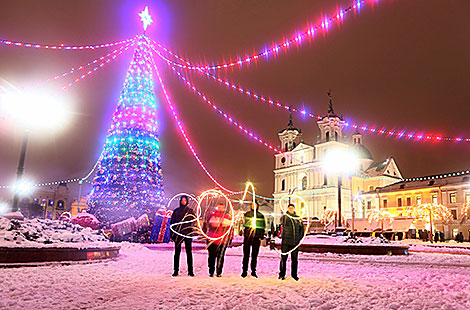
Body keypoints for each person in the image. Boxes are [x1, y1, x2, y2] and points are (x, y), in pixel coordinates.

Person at [170, 195, 195, 277]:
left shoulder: (190, 211)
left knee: (189, 253)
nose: (183, 202)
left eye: (185, 200)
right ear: (180, 201)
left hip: (187, 233)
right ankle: (175, 270)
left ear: (187, 201)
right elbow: (172, 223)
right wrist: (172, 234)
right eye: (182, 200)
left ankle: (190, 271)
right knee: (177, 253)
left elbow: (193, 222)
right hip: (178, 234)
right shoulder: (176, 211)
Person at [205, 203, 233, 277]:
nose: (220, 209)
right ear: (216, 208)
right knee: (211, 256)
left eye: (222, 207)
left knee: (221, 256)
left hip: (223, 240)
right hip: (212, 239)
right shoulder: (212, 216)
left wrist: (230, 238)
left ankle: (219, 272)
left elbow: (230, 228)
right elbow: (206, 225)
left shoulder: (227, 217)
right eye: (219, 207)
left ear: (224, 209)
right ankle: (211, 271)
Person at [278, 203, 304, 281]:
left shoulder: (298, 218)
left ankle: (294, 275)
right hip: (286, 241)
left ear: (294, 209)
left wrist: (299, 238)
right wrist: (285, 214)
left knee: (295, 259)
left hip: (295, 242)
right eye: (289, 208)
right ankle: (282, 274)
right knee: (283, 258)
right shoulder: (285, 217)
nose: (291, 209)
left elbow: (302, 229)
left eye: (292, 208)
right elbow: (282, 222)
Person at [241, 201, 266, 278]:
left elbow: (262, 227)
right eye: (252, 205)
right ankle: (244, 271)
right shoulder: (247, 214)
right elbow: (243, 224)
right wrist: (245, 233)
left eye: (255, 205)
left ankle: (253, 271)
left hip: (256, 238)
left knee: (254, 255)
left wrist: (260, 236)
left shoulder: (260, 215)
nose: (253, 206)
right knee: (246, 255)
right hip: (248, 237)